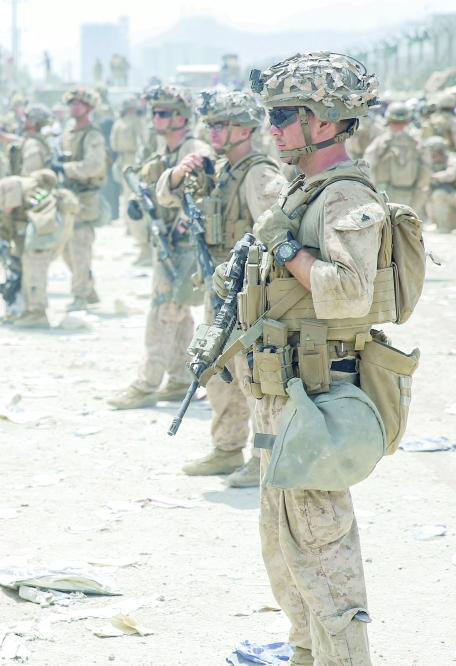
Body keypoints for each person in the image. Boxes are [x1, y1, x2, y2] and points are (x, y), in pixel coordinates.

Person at [246, 51, 394, 665]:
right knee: (283, 546)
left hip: (317, 393)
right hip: (284, 391)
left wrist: (284, 249)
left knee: (321, 548)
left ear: (326, 121)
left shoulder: (345, 195)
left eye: (285, 115)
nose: (273, 128)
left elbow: (348, 290)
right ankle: (307, 652)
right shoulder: (306, 189)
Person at [155, 90, 286, 486]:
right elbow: (165, 196)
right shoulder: (220, 168)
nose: (212, 132)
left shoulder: (258, 174)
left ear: (244, 129)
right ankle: (227, 448)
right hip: (220, 291)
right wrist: (178, 173)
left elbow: (277, 232)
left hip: (248, 297)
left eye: (221, 125)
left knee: (253, 380)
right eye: (210, 125)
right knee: (218, 374)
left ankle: (264, 459)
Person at [108, 84, 213, 410]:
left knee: (163, 309)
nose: (155, 118)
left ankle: (146, 384)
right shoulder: (163, 151)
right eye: (153, 113)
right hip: (168, 240)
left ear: (181, 117)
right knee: (178, 311)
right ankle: (180, 378)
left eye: (163, 113)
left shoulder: (195, 151)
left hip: (185, 243)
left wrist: (181, 220)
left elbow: (205, 196)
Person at [0, 170, 80, 328]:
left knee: (34, 267)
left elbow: (8, 209)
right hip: (48, 223)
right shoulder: (25, 187)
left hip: (44, 225)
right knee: (31, 265)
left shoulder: (6, 186)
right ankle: (31, 310)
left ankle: (37, 313)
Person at [50, 86, 108, 312]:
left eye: (80, 104)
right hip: (68, 196)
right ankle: (88, 288)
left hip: (85, 198)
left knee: (79, 247)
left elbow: (94, 165)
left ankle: (80, 295)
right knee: (66, 249)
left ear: (89, 108)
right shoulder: (68, 132)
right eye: (72, 104)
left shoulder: (92, 135)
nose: (75, 108)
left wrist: (65, 168)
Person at [363, 102, 429, 216]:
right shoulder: (415, 141)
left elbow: (367, 165)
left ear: (388, 120)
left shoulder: (382, 142)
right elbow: (426, 165)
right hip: (403, 193)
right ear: (407, 121)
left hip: (393, 193)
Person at [111, 96, 148, 264]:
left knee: (130, 198)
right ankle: (131, 229)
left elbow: (142, 142)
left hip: (132, 162)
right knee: (126, 197)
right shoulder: (122, 122)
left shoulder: (134, 122)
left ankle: (139, 237)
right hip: (124, 161)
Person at [425, 135, 456, 232]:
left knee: (439, 195)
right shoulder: (433, 162)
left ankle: (447, 226)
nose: (433, 157)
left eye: (435, 155)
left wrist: (436, 176)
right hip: (446, 192)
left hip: (453, 192)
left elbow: (451, 174)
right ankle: (437, 223)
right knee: (430, 194)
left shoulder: (452, 160)